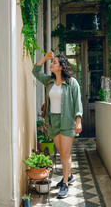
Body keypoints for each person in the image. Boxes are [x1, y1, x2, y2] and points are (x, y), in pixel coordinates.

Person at [32, 51, 83, 198]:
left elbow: (77, 103)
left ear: (61, 66)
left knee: (65, 155)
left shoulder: (72, 83)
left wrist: (78, 121)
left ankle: (65, 184)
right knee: (62, 154)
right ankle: (70, 175)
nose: (51, 64)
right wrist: (45, 58)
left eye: (54, 62)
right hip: (53, 122)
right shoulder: (49, 81)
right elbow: (35, 71)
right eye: (51, 61)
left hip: (67, 121)